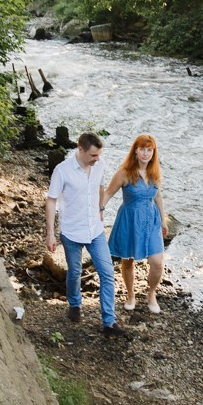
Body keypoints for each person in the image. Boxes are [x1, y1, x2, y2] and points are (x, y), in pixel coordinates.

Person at [45, 131, 127, 338]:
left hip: (95, 230)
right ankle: (74, 304)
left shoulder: (99, 165)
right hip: (71, 231)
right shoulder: (62, 171)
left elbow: (100, 186)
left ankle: (109, 322)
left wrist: (100, 209)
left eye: (99, 155)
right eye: (93, 155)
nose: (97, 159)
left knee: (107, 273)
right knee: (74, 272)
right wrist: (50, 234)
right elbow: (51, 200)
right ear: (80, 150)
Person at [102, 133, 168, 313]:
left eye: (149, 150)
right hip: (130, 219)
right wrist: (98, 211)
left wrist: (163, 220)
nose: (146, 153)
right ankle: (130, 294)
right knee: (128, 260)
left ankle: (151, 293)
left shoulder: (154, 171)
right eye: (142, 149)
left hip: (151, 220)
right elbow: (108, 193)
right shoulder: (124, 172)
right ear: (135, 151)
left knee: (157, 262)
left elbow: (158, 195)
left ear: (153, 152)